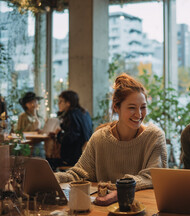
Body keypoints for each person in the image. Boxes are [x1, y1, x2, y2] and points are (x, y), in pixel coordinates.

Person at [55, 74, 167, 204]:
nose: (139, 114)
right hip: (102, 208)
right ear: (116, 107)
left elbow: (153, 177)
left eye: (143, 107)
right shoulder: (99, 138)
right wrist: (53, 178)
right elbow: (79, 174)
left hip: (141, 208)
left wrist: (119, 187)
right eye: (132, 107)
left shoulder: (154, 137)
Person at [48, 90, 93, 169]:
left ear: (68, 103)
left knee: (47, 162)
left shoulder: (71, 114)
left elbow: (70, 137)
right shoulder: (84, 112)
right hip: (85, 155)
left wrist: (58, 135)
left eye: (61, 101)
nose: (58, 104)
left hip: (73, 158)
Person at [17, 92, 45, 157]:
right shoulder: (23, 116)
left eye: (35, 101)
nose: (33, 104)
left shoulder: (40, 117)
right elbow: (20, 131)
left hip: (39, 144)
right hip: (28, 145)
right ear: (26, 105)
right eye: (30, 102)